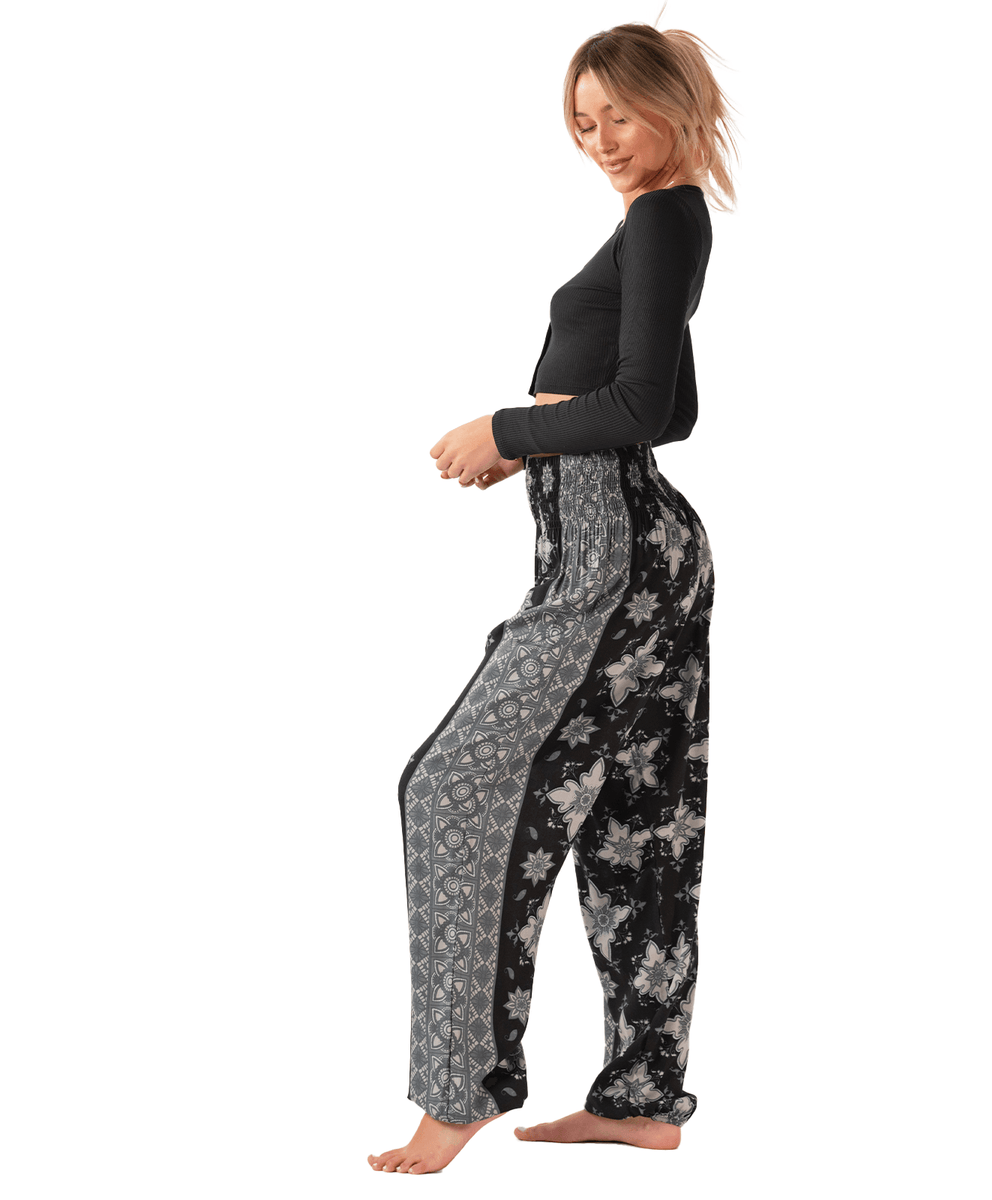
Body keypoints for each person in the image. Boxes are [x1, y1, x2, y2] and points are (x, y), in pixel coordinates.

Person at [369, 20, 738, 1176]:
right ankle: (642, 1097)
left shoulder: (663, 217)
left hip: (612, 556)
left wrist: (509, 429)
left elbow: (640, 410)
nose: (602, 140)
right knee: (639, 822)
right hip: (639, 542)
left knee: (451, 786)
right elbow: (673, 411)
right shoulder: (661, 222)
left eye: (619, 114)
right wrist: (544, 443)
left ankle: (459, 1090)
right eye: (583, 124)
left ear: (672, 103)